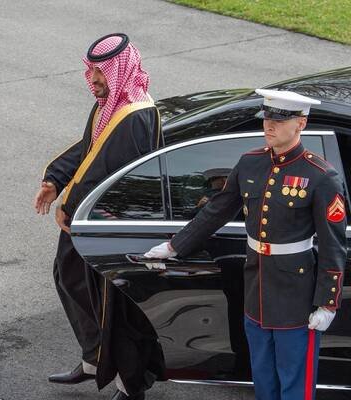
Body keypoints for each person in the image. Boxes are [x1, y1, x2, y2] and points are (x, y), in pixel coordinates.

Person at [145, 89, 346, 399]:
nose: (270, 125)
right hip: (255, 287)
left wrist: (327, 302)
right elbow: (217, 210)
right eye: (267, 118)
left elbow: (333, 245)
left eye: (280, 120)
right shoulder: (251, 163)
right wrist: (175, 246)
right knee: (262, 374)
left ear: (301, 124)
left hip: (296, 294)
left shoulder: (320, 176)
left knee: (294, 378)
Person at [34, 33, 164, 400]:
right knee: (69, 276)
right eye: (90, 71)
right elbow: (89, 148)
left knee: (116, 308)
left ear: (119, 70)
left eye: (99, 72)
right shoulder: (111, 104)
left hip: (116, 225)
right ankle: (95, 358)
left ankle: (131, 384)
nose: (92, 79)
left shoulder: (135, 114)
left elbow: (106, 169)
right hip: (91, 217)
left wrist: (69, 205)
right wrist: (55, 179)